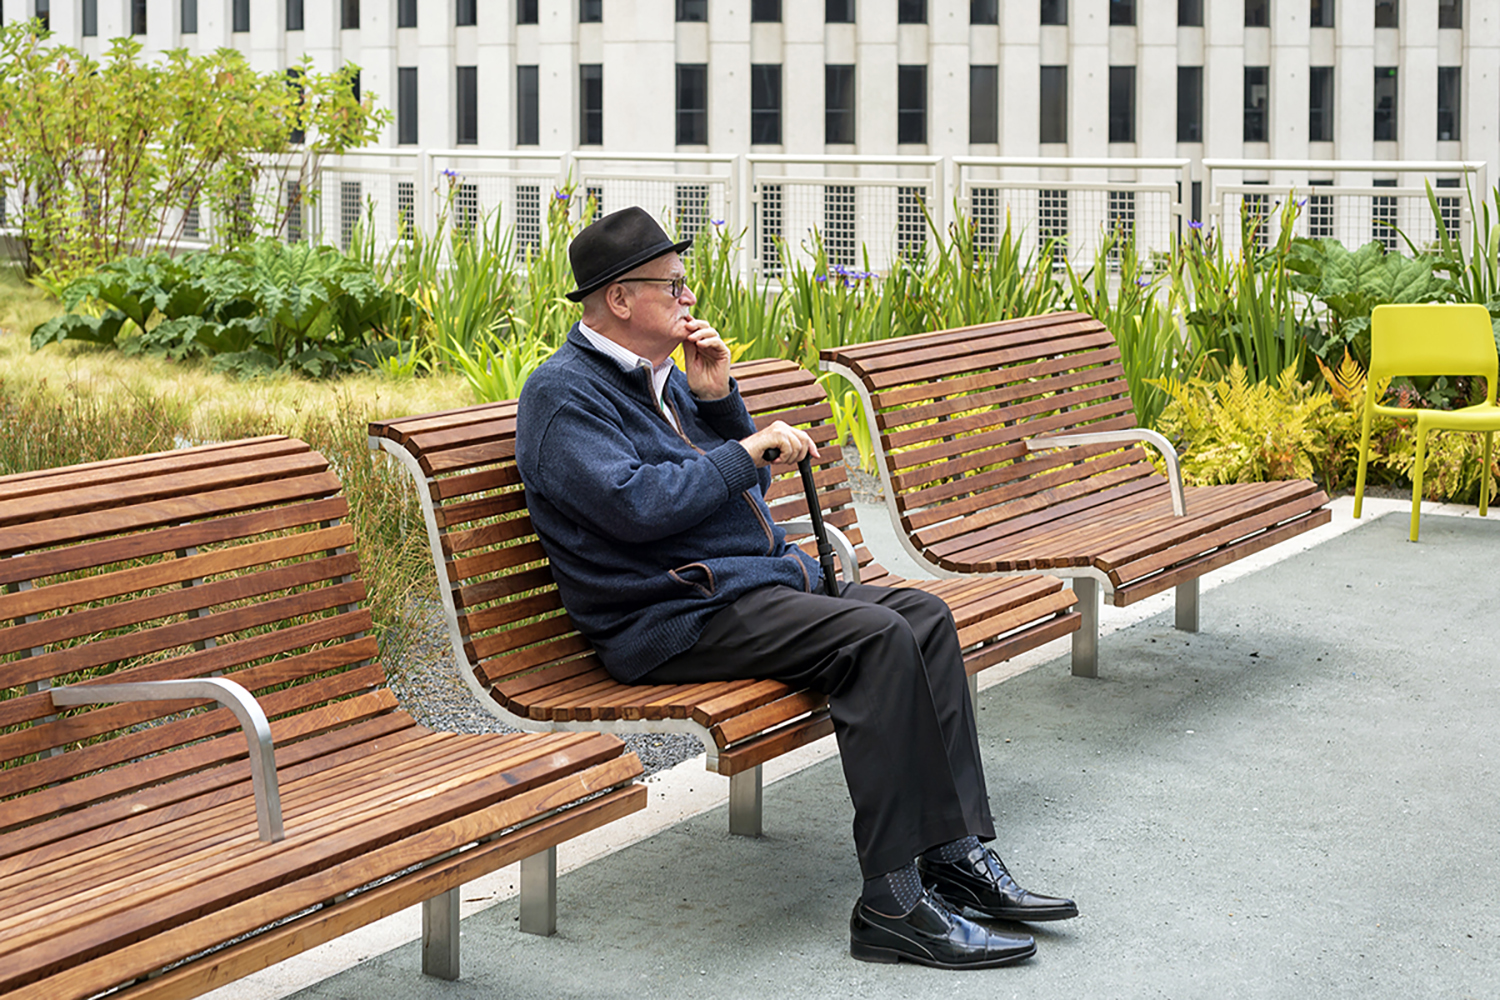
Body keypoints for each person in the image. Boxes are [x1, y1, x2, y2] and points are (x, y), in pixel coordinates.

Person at [516, 207, 1077, 969]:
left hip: (737, 592)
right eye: (673, 286)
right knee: (876, 639)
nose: (689, 299)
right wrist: (747, 444)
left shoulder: (663, 381)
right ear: (619, 299)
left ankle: (953, 854)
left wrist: (717, 401)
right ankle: (892, 901)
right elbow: (638, 507)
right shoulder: (563, 394)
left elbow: (719, 489)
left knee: (922, 615)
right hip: (666, 615)